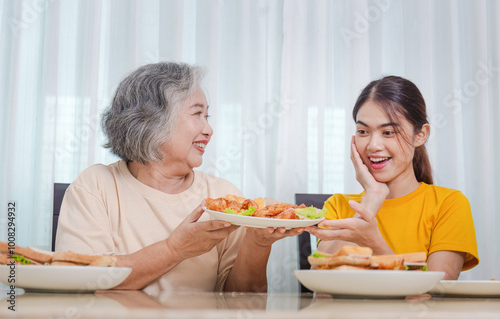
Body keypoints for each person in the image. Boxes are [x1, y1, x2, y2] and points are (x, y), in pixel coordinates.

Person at [55, 62, 303, 293]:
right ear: (150, 120)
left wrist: (258, 243)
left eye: (207, 116)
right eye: (197, 114)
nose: (209, 129)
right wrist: (174, 249)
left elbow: (242, 301)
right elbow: (80, 281)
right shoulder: (95, 185)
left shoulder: (224, 198)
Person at [306, 75, 479, 280]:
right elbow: (320, 284)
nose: (373, 145)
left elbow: (435, 295)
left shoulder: (448, 204)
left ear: (420, 135)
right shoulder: (338, 206)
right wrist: (371, 199)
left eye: (388, 132)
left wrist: (374, 243)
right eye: (363, 131)